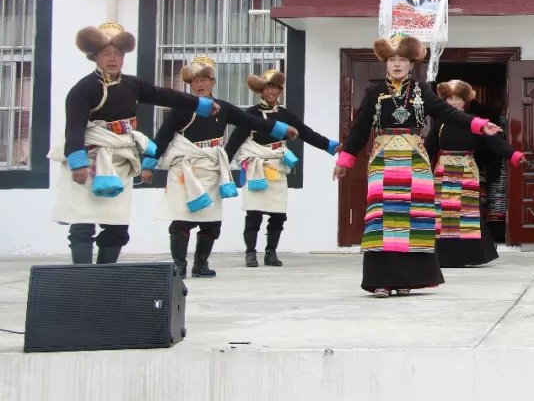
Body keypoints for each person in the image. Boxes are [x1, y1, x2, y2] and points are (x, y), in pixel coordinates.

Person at [334, 35, 503, 297]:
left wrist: (479, 124)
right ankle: (379, 279)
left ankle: (407, 279)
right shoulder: (375, 92)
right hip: (384, 160)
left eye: (402, 59)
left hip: (415, 160)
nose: (397, 64)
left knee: (414, 218)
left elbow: (449, 114)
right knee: (383, 218)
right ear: (385, 63)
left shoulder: (423, 90)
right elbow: (359, 129)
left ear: (411, 63)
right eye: (392, 59)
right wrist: (346, 159)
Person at [51, 22, 219, 265]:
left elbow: (165, 95)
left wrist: (199, 104)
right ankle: (83, 278)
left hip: (120, 161)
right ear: (95, 56)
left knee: (117, 227)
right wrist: (77, 162)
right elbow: (75, 128)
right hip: (90, 159)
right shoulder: (83, 89)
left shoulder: (132, 85)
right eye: (106, 53)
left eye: (117, 54)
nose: (113, 59)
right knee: (83, 224)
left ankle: (105, 276)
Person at [144, 56, 298, 278]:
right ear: (190, 83)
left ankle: (201, 264)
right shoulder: (181, 108)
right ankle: (179, 264)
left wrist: (281, 130)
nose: (200, 84)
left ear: (213, 82)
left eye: (205, 79)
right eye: (195, 80)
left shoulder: (223, 108)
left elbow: (252, 121)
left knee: (211, 223)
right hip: (184, 168)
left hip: (212, 167)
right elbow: (163, 136)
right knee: (182, 219)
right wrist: (148, 165)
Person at [224, 69, 340, 267]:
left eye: (275, 88)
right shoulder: (250, 114)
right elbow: (234, 142)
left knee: (278, 214)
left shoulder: (285, 115)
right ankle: (250, 253)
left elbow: (305, 133)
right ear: (261, 90)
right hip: (256, 167)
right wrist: (222, 165)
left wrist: (329, 145)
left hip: (277, 167)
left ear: (280, 91)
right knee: (254, 212)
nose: (271, 92)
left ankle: (271, 252)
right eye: (267, 87)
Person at [425, 79, 524, 267]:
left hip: (466, 171)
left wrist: (513, 155)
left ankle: (470, 256)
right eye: (450, 99)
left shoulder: (474, 122)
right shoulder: (439, 123)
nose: (454, 102)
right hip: (444, 172)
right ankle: (443, 257)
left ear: (464, 102)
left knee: (467, 214)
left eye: (458, 99)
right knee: (443, 214)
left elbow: (494, 142)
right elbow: (428, 148)